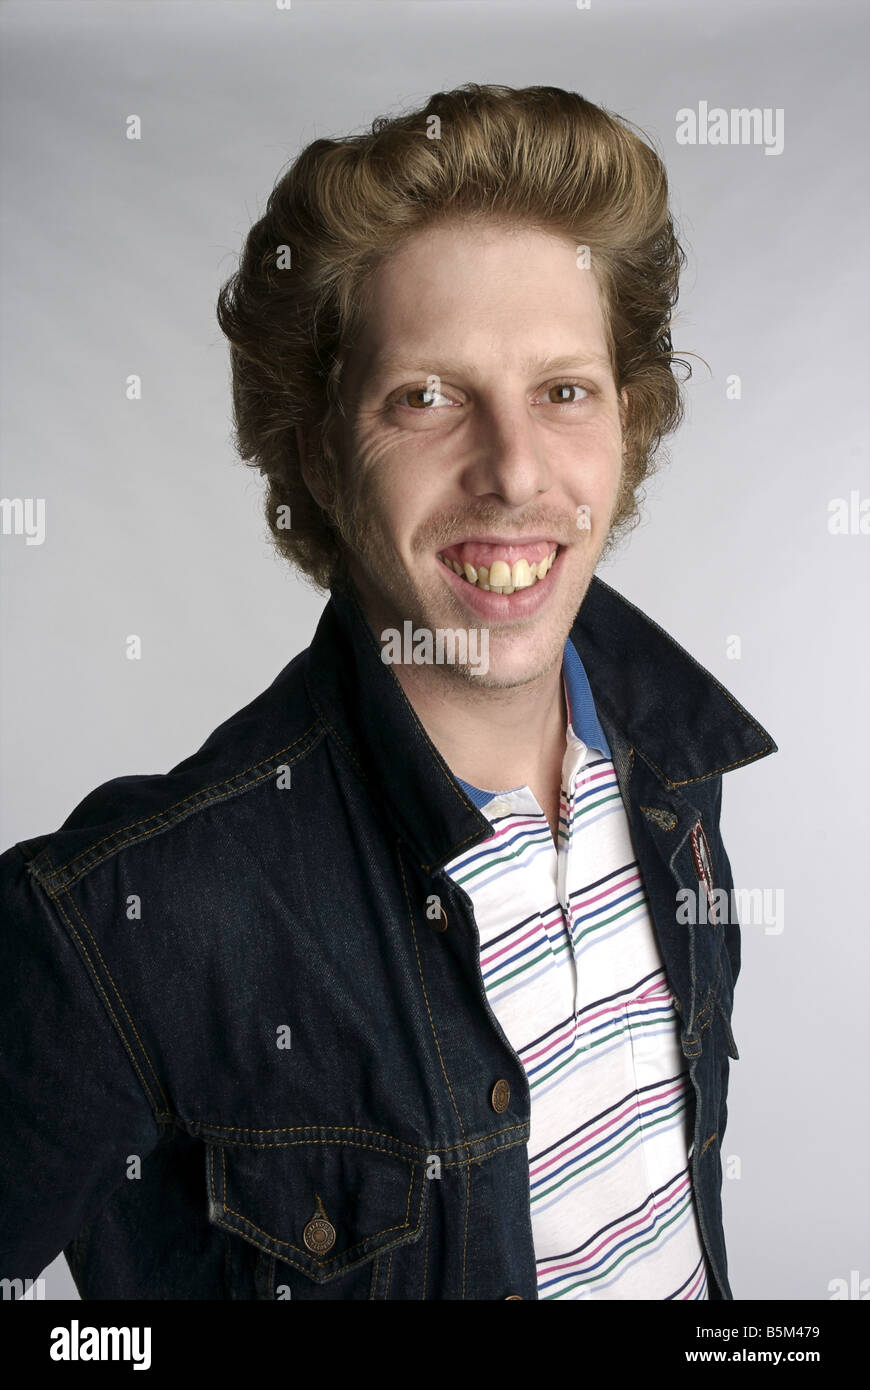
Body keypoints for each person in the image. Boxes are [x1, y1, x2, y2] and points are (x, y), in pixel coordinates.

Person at [0, 83, 776, 1301]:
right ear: (317, 446)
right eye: (428, 398)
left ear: (628, 416)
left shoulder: (675, 768)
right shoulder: (127, 919)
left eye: (564, 390)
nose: (514, 470)